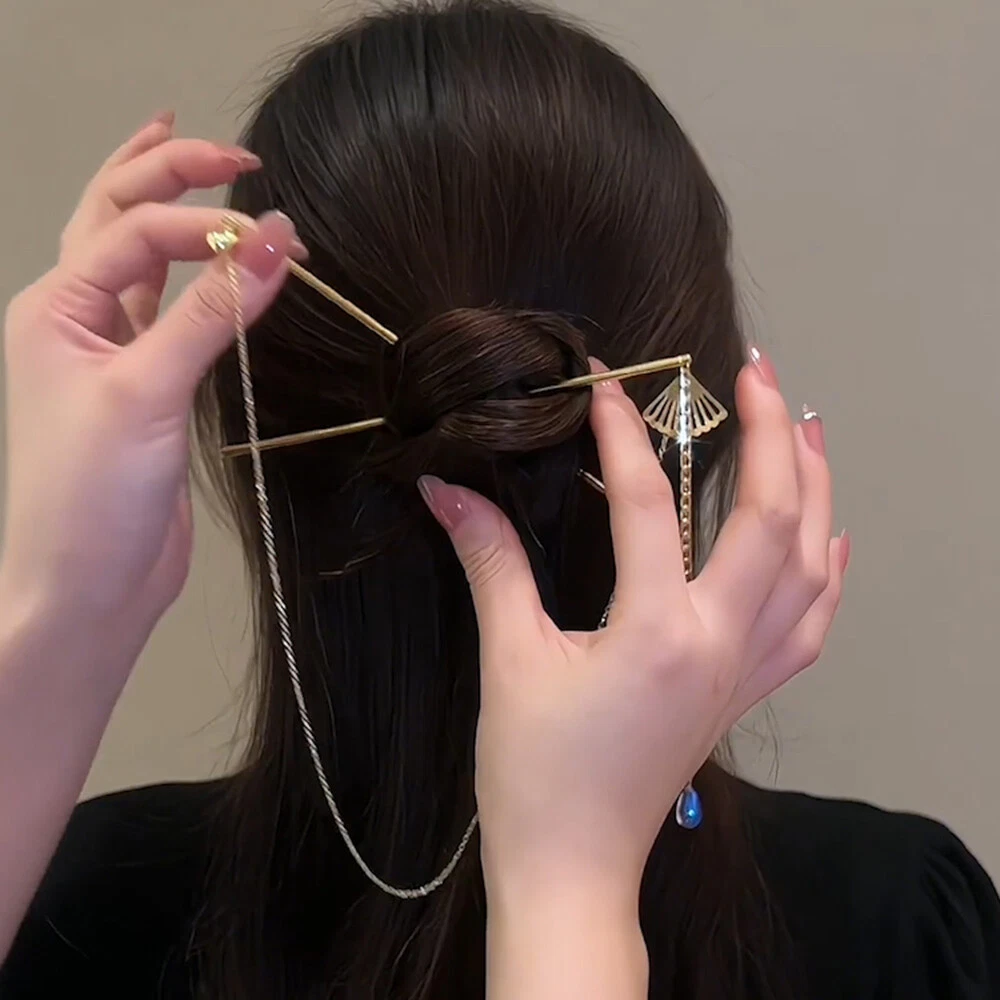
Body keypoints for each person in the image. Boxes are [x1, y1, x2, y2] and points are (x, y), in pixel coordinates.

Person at [0, 1, 997, 998]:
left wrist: (52, 614)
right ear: (715, 429)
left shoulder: (71, 912)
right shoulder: (900, 934)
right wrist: (569, 885)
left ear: (236, 429)